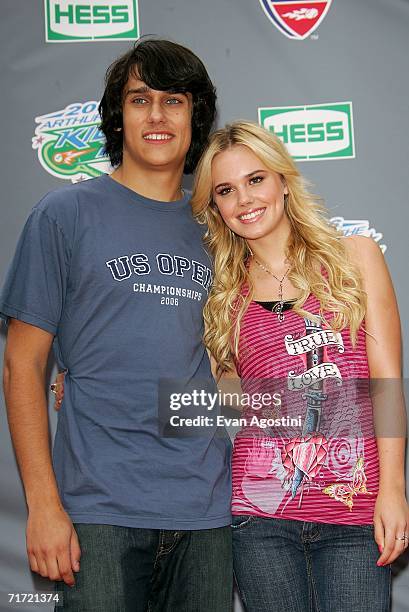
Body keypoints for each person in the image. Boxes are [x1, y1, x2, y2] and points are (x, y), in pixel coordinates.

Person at [0, 39, 233, 612]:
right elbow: (23, 364)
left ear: (194, 116)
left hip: (208, 513)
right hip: (97, 512)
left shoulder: (224, 230)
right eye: (139, 99)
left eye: (173, 100)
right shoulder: (64, 215)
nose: (157, 116)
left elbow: (239, 370)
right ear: (117, 116)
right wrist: (44, 506)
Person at [190, 120, 409, 611]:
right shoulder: (224, 295)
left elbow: (387, 384)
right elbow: (233, 403)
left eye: (256, 179)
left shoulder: (355, 257)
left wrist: (393, 490)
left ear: (283, 180)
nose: (244, 199)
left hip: (354, 513)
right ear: (216, 207)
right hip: (259, 517)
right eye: (226, 190)